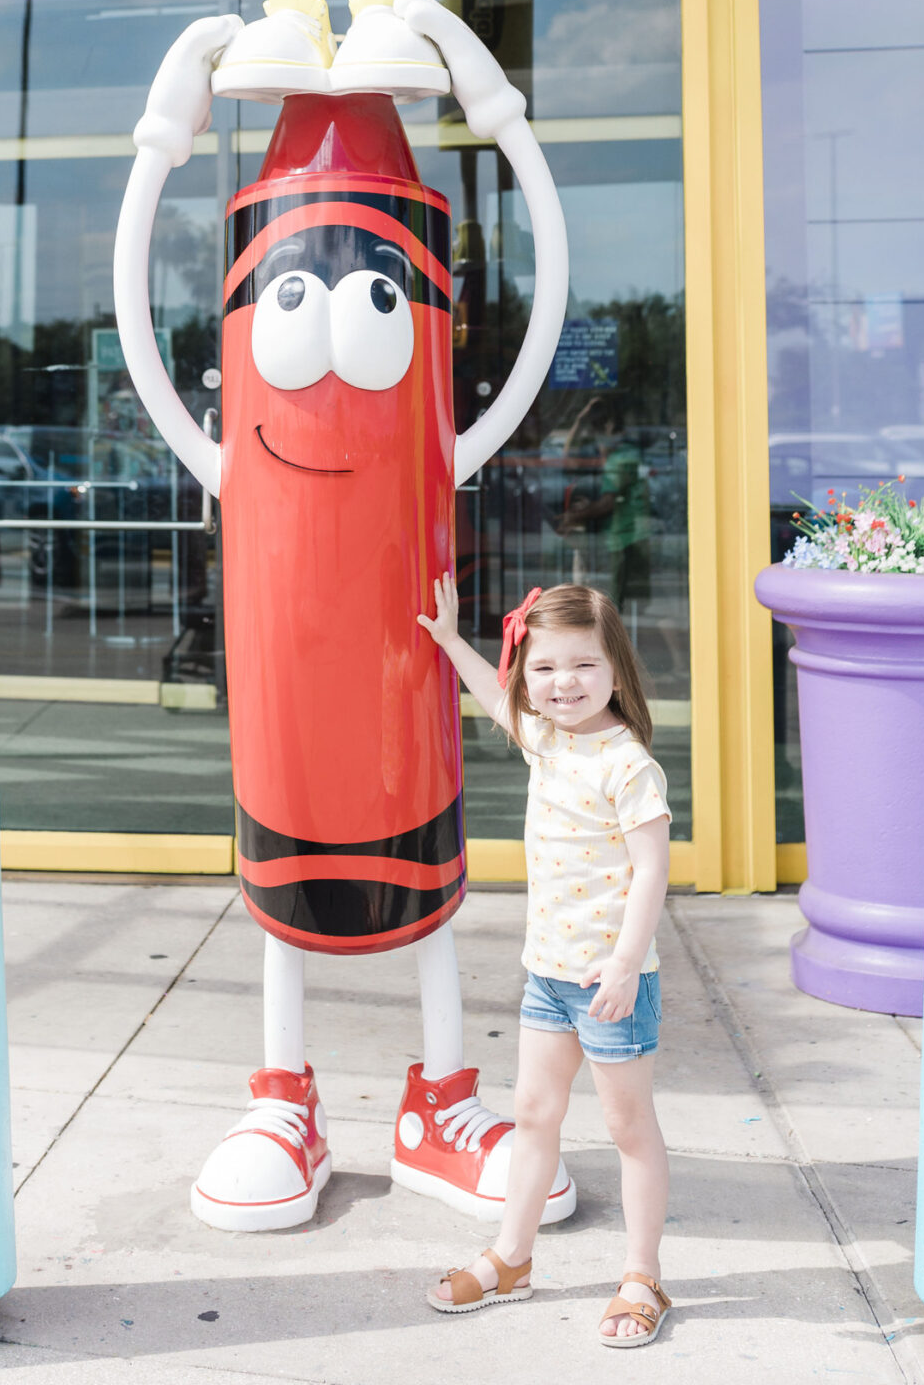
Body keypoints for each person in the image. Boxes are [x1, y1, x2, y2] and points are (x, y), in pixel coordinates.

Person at [416, 576, 674, 1346]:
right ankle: (512, 1258)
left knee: (630, 1129)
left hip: (610, 983)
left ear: (617, 671)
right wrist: (451, 640)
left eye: (583, 666)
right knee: (534, 1115)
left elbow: (653, 869)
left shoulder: (627, 764)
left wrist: (627, 964)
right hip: (549, 978)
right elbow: (496, 703)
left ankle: (643, 1276)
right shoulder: (549, 741)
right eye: (544, 668)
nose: (563, 684)